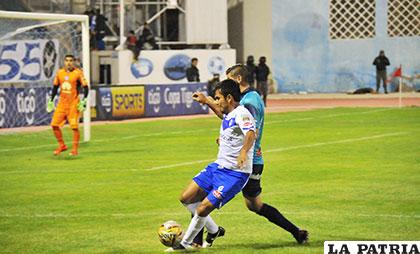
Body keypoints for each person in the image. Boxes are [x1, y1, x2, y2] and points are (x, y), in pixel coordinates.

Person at [192, 64, 308, 247]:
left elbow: (248, 129)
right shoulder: (252, 97)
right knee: (254, 205)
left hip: (244, 161)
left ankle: (196, 242)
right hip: (254, 160)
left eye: (228, 79)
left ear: (238, 80)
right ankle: (297, 232)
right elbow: (230, 119)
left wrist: (241, 149)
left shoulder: (249, 102)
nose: (224, 84)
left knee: (200, 196)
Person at [166, 79, 256, 252]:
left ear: (229, 98)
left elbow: (251, 133)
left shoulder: (242, 114)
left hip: (235, 174)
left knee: (202, 209)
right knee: (186, 198)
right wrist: (206, 101)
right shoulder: (230, 113)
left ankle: (184, 245)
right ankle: (214, 230)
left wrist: (243, 151)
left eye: (218, 98)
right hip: (217, 167)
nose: (216, 101)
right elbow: (223, 116)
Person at [47, 55, 89, 156]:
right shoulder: (60, 73)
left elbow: (86, 87)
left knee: (74, 127)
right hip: (62, 103)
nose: (68, 63)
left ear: (74, 62)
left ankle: (75, 149)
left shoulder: (78, 73)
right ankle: (62, 145)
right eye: (66, 61)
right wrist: (51, 100)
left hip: (73, 104)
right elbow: (55, 87)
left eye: (71, 61)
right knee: (54, 125)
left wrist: (84, 101)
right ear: (64, 62)